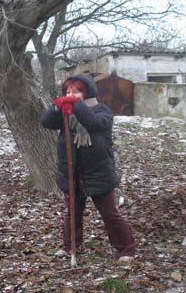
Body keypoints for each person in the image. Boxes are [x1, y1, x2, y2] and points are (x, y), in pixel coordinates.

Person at [41, 74, 136, 262]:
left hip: (98, 172)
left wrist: (76, 106)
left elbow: (92, 122)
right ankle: (70, 247)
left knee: (109, 213)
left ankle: (126, 249)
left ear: (87, 94)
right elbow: (46, 122)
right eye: (67, 92)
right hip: (72, 172)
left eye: (75, 91)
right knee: (72, 213)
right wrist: (56, 107)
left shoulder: (103, 112)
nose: (70, 95)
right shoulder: (65, 114)